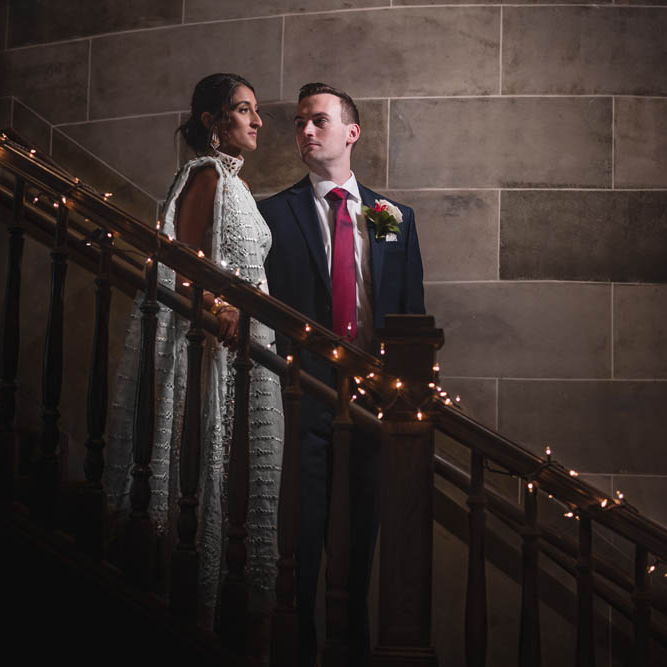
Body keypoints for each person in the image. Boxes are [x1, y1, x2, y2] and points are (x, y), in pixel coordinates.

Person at [103, 73, 284, 625]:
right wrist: (217, 308)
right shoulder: (205, 174)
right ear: (212, 122)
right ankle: (191, 604)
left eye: (255, 112)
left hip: (246, 348)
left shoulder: (239, 184)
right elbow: (180, 262)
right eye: (243, 110)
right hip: (212, 344)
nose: (257, 121)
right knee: (206, 464)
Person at [258, 83, 425, 665]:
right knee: (298, 546)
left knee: (359, 551)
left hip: (374, 408)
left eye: (319, 120)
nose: (306, 130)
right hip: (301, 399)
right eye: (300, 122)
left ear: (351, 132)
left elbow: (405, 312)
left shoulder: (388, 217)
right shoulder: (273, 212)